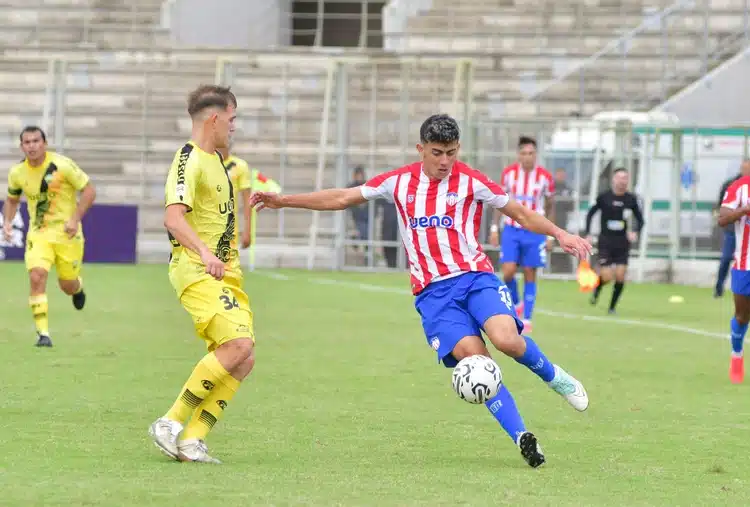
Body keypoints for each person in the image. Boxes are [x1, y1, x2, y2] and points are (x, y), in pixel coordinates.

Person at [252, 114, 591, 468]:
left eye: (451, 152)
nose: (445, 161)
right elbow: (341, 198)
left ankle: (557, 378)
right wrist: (284, 200)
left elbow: (520, 212)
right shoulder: (398, 182)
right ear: (421, 150)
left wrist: (561, 234)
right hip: (434, 296)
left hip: (475, 278)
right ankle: (522, 436)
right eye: (437, 153)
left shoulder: (472, 182)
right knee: (478, 364)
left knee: (506, 339)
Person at [149, 85, 255, 464]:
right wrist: (206, 252)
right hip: (197, 269)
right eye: (232, 118)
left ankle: (193, 439)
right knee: (238, 347)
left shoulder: (219, 162)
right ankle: (170, 422)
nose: (234, 126)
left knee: (244, 358)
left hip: (226, 273)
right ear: (214, 118)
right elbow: (173, 217)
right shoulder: (189, 159)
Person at [1, 126, 96, 347]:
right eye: (27, 142)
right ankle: (43, 335)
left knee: (67, 284)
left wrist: (75, 219)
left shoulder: (62, 165)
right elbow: (13, 199)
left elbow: (89, 191)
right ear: (21, 146)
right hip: (39, 233)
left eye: (36, 141)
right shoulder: (17, 172)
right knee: (36, 276)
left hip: (67, 234)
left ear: (44, 143)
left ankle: (77, 288)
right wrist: (7, 222)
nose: (32, 146)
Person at [489, 136, 555, 333]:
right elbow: (499, 203)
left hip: (535, 231)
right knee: (508, 271)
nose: (527, 157)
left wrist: (550, 234)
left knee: (529, 272)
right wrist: (494, 228)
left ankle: (527, 318)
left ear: (536, 155)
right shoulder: (509, 174)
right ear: (518, 155)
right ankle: (517, 303)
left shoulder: (545, 177)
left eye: (531, 153)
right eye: (524, 153)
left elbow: (551, 206)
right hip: (511, 229)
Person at [718, 146, 750, 384]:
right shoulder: (739, 188)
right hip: (746, 262)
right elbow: (722, 219)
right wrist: (746, 209)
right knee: (743, 316)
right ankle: (737, 353)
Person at [584, 168, 644, 315]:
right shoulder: (604, 197)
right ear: (613, 180)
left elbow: (640, 220)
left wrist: (634, 231)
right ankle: (598, 287)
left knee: (620, 275)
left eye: (625, 178)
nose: (622, 181)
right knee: (607, 276)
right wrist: (588, 233)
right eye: (619, 178)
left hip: (622, 243)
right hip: (606, 241)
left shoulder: (631, 199)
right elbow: (591, 214)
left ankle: (612, 307)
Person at [218, 146, 281, 250]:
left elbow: (248, 201)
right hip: (205, 229)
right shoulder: (204, 163)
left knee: (228, 265)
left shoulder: (240, 166)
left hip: (228, 230)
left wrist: (247, 231)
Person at [714, 159, 750, 298]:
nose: (746, 171)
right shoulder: (731, 185)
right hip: (733, 231)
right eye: (744, 168)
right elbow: (721, 207)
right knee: (726, 259)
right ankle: (718, 288)